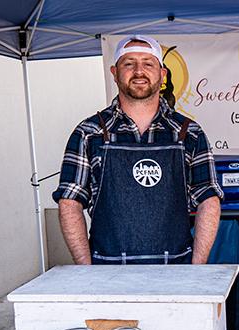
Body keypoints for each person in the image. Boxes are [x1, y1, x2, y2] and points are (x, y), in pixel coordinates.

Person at [52, 35, 223, 265]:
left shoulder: (189, 133)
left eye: (148, 63)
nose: (139, 71)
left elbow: (208, 201)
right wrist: (86, 269)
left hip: (176, 273)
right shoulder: (88, 133)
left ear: (162, 75)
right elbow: (70, 202)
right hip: (107, 273)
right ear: (114, 72)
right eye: (129, 63)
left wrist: (196, 268)